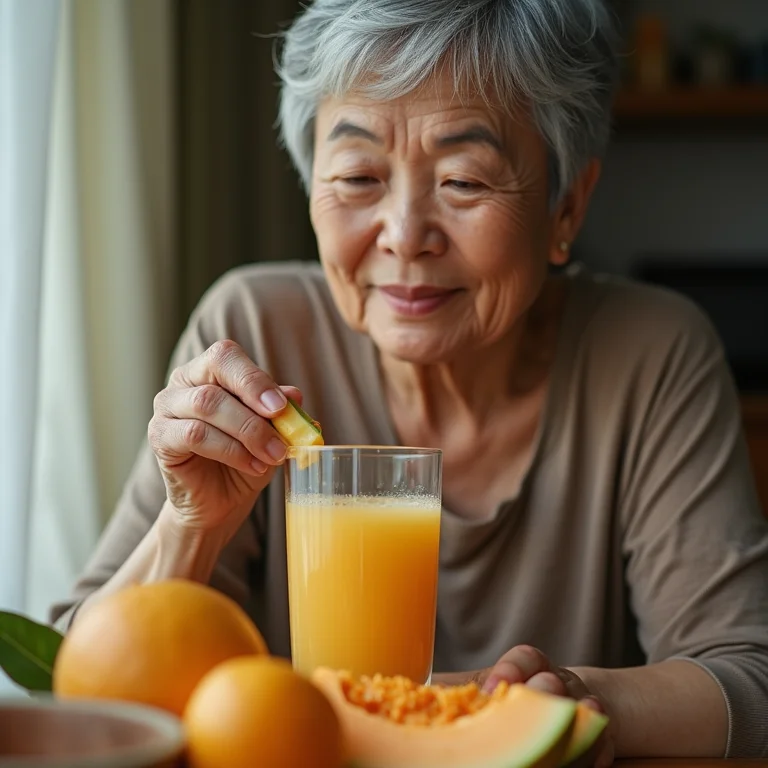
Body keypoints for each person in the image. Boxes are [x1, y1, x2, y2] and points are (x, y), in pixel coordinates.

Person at [51, 0, 768, 761]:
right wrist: (192, 524)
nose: (403, 236)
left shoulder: (650, 353)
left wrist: (581, 703)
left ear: (567, 207)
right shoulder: (252, 333)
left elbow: (751, 678)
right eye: (358, 176)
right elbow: (77, 690)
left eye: (463, 181)